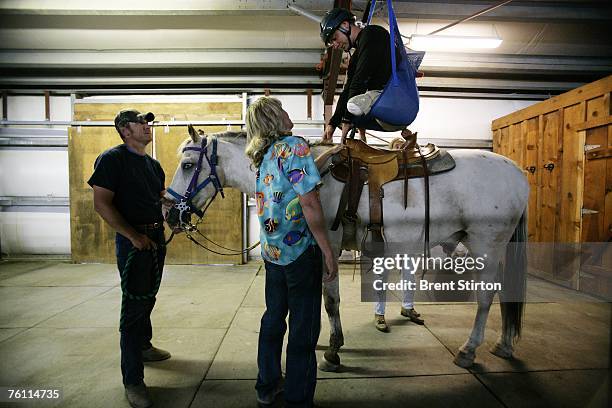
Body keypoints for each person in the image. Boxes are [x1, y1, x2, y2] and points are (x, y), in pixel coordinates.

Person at [245, 97, 338, 407]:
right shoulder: (295, 146)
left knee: (274, 318)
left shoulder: (263, 154)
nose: (288, 113)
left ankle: (267, 386)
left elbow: (289, 182)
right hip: (300, 252)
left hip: (273, 253)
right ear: (275, 117)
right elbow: (309, 202)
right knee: (304, 327)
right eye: (282, 108)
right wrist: (327, 249)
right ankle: (298, 398)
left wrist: (322, 160)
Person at [88, 109, 170, 408]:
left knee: (148, 298)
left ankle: (144, 347)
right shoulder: (112, 159)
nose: (148, 126)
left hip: (156, 239)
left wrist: (172, 207)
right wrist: (132, 236)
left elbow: (160, 198)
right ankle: (133, 380)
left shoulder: (153, 164)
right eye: (141, 122)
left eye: (148, 122)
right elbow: (101, 204)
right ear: (124, 130)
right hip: (134, 243)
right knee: (133, 309)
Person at [320, 7, 406, 144]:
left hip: (396, 101)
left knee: (353, 104)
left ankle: (357, 126)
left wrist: (346, 119)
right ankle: (360, 133)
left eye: (335, 38)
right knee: (352, 102)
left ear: (345, 25)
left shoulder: (372, 34)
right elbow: (348, 89)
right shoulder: (357, 54)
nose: (335, 45)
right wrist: (333, 122)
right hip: (384, 111)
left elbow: (359, 81)